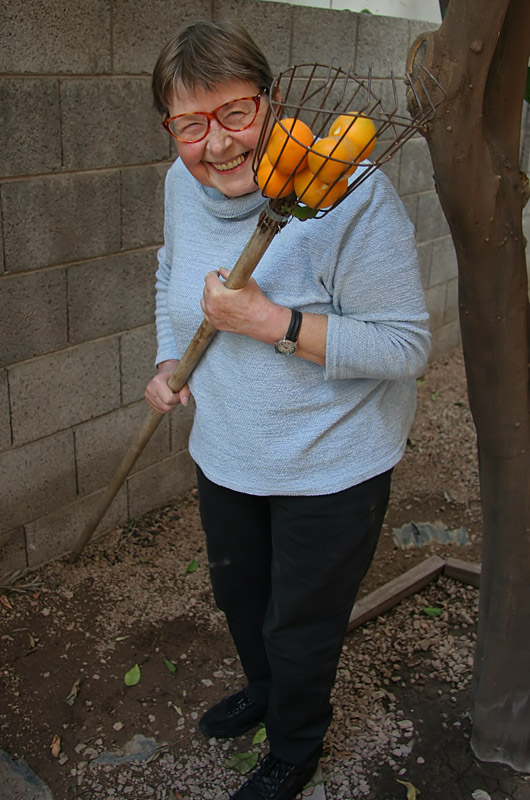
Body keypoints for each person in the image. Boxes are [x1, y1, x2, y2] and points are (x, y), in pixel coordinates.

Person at [145, 19, 431, 800]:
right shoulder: (182, 183)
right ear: (171, 128)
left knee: (301, 627)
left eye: (236, 113)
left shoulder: (351, 194)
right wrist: (170, 359)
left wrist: (274, 324)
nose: (219, 144)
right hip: (230, 450)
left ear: (274, 104)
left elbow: (406, 346)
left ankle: (296, 745)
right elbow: (172, 268)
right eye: (191, 124)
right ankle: (268, 692)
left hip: (334, 464)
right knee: (244, 600)